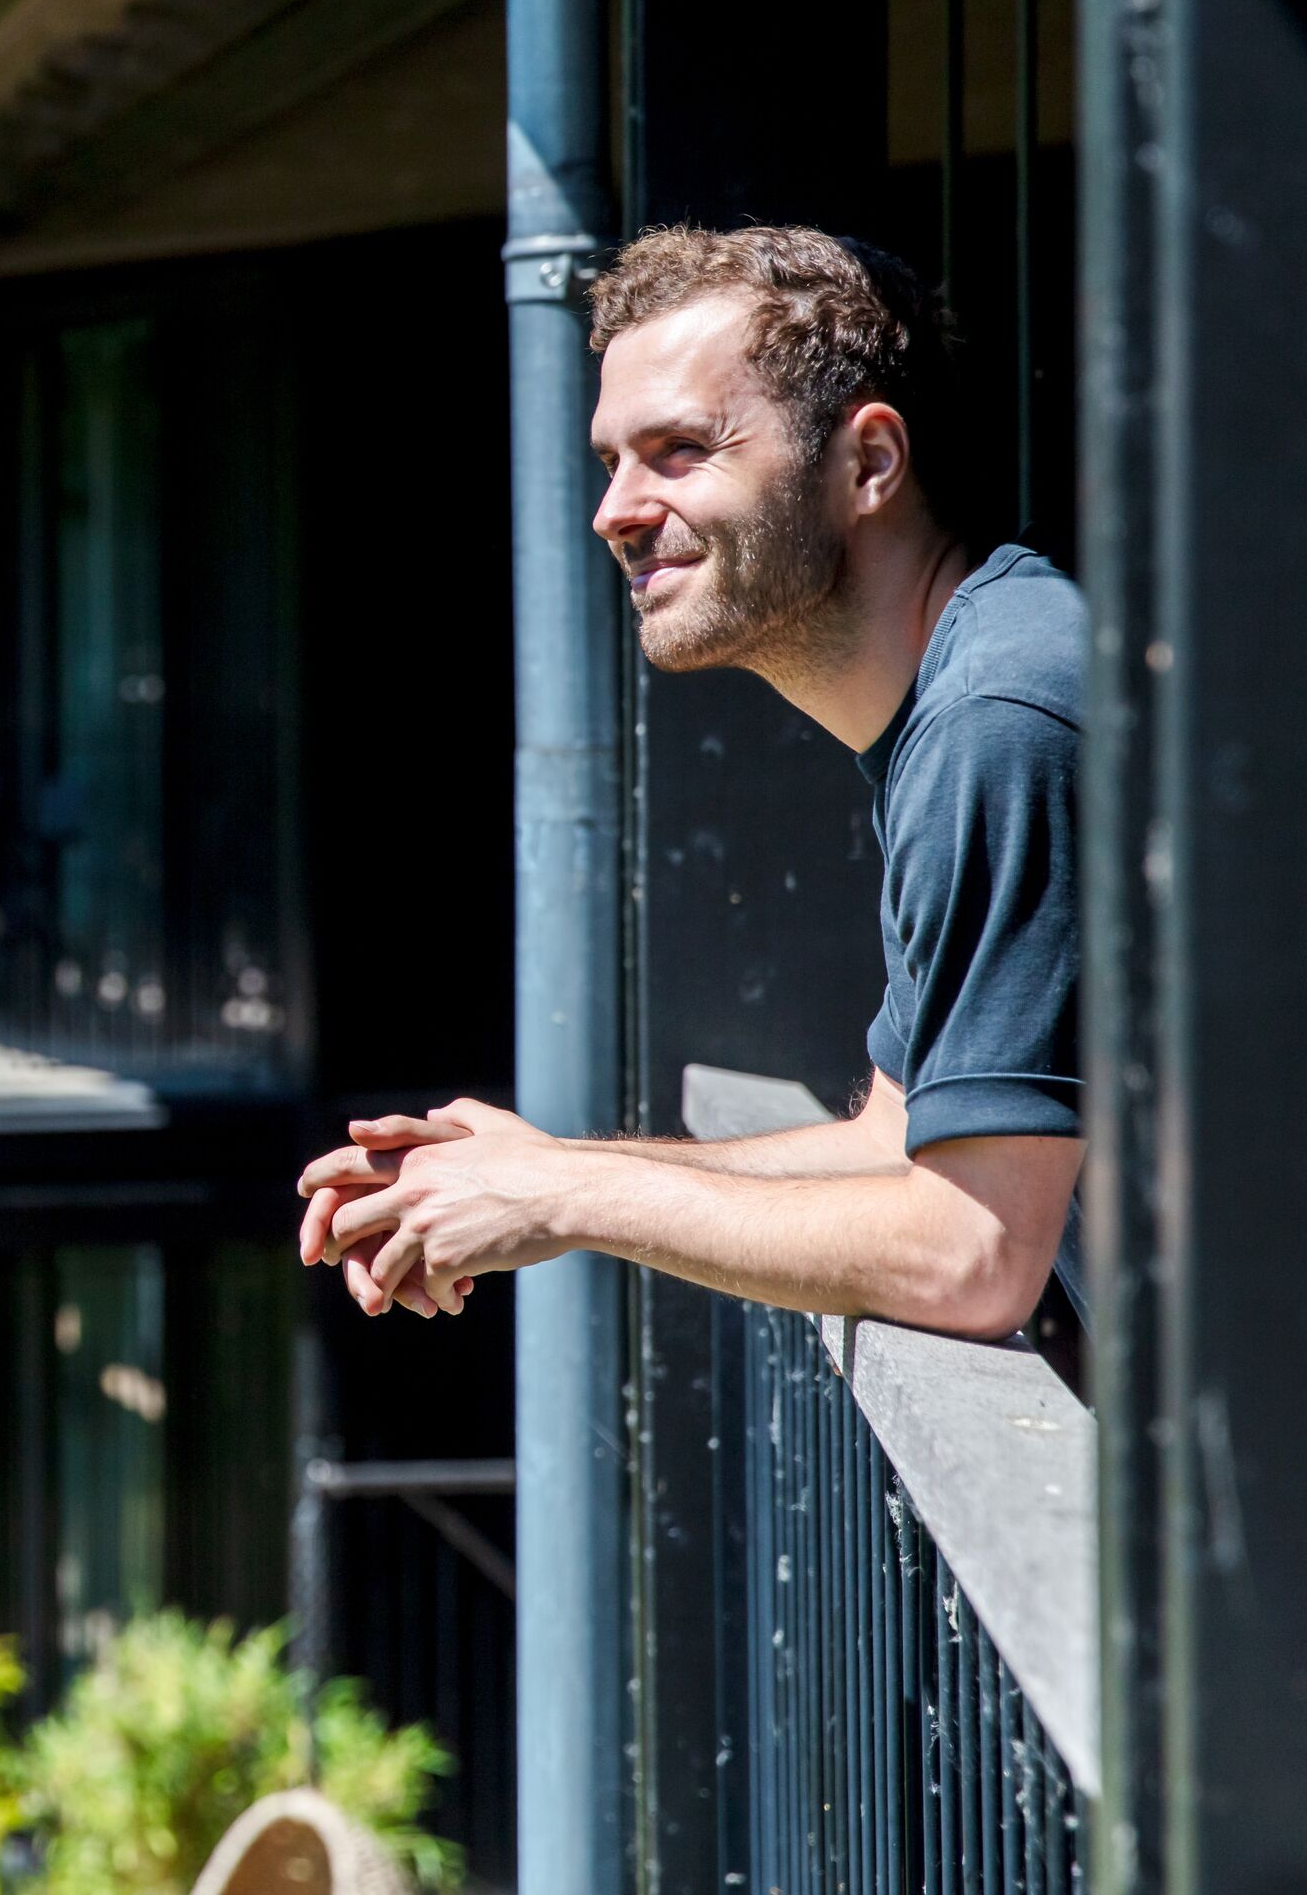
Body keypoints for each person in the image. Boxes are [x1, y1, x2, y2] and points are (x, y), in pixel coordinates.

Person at [299, 225, 1082, 1340]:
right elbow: (892, 1144)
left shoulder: (1000, 718)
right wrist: (544, 1170)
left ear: (869, 463)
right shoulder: (970, 691)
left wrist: (566, 1196)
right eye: (610, 459)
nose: (613, 510)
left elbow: (972, 1253)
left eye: (678, 449)